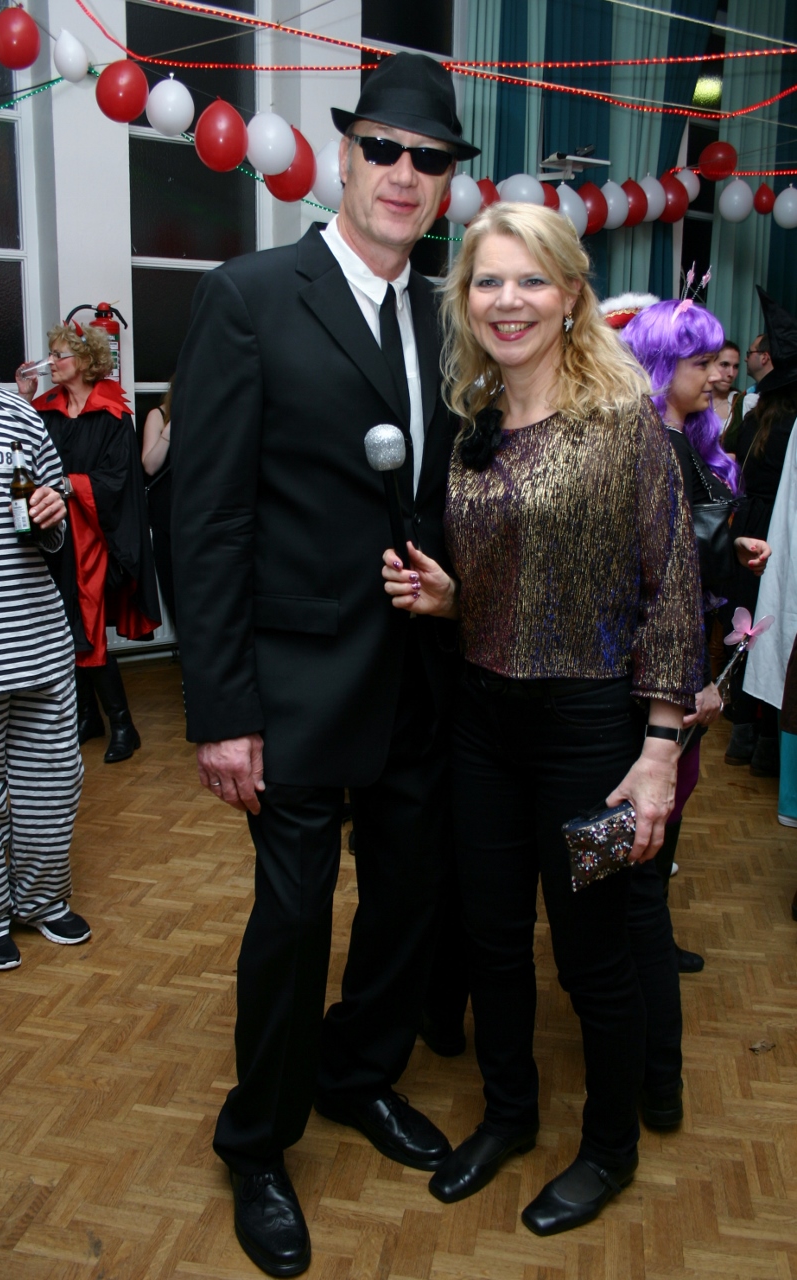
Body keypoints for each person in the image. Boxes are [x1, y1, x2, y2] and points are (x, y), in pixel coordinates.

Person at [171, 53, 477, 1278]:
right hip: (293, 685)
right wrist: (220, 709)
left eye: (429, 158)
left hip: (418, 679)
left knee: (407, 904)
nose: (404, 172)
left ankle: (357, 1075)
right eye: (384, 149)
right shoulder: (250, 295)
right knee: (294, 921)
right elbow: (206, 519)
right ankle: (256, 1140)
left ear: (446, 184)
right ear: (343, 157)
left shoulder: (449, 314)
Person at [381, 203, 703, 1235]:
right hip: (482, 728)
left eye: (529, 280)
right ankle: (509, 1116)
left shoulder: (624, 423)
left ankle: (608, 1148)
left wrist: (659, 751)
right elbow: (515, 582)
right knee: (491, 940)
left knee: (594, 952)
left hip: (592, 734)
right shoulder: (470, 429)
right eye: (487, 281)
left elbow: (670, 589)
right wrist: (452, 601)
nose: (507, 301)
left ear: (569, 294)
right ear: (465, 300)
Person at [623, 299, 769, 973]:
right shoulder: (657, 446)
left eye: (718, 361)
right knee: (649, 809)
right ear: (661, 365)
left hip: (684, 660)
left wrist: (728, 546)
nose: (717, 375)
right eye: (701, 362)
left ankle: (643, 941)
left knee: (668, 802)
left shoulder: (683, 440)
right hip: (661, 669)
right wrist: (696, 682)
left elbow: (686, 550)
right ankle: (636, 950)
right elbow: (655, 583)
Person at [16, 325, 161, 764]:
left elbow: (117, 481)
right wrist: (24, 397)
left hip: (96, 537)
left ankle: (124, 725)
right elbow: (22, 452)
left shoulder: (113, 415)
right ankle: (89, 717)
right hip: (56, 537)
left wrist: (67, 485)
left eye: (59, 355)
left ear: (83, 361)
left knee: (89, 626)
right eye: (51, 354)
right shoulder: (46, 410)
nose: (51, 362)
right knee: (65, 625)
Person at [0, 382, 89, 970]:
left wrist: (52, 514)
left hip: (38, 638)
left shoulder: (16, 413)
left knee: (53, 782)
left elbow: (51, 527)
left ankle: (41, 901)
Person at [725, 290, 797, 775]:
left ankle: (741, 737)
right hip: (778, 529)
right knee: (774, 630)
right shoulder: (790, 422)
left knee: (746, 627)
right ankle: (768, 745)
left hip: (751, 523)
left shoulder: (756, 417)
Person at [141, 379, 175, 626]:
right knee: (172, 585)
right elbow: (150, 466)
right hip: (165, 516)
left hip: (195, 515)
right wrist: (169, 431)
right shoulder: (158, 415)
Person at [712, 341, 741, 431]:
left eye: (735, 366)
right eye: (724, 365)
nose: (731, 374)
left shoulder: (740, 404)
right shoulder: (692, 401)